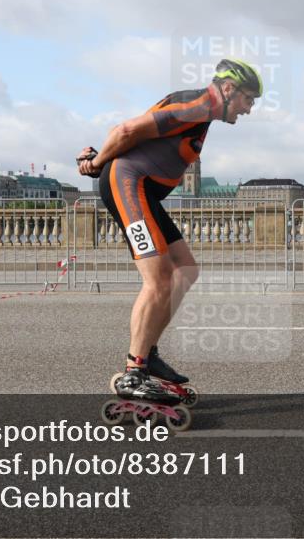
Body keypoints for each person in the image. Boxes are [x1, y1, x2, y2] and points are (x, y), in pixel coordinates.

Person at [78, 59, 262, 403]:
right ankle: (134, 373)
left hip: (143, 189)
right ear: (227, 89)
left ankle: (147, 352)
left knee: (186, 270)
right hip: (129, 185)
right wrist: (98, 162)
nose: (249, 109)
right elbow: (124, 131)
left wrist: (98, 159)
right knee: (159, 277)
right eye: (248, 99)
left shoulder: (204, 114)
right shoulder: (195, 106)